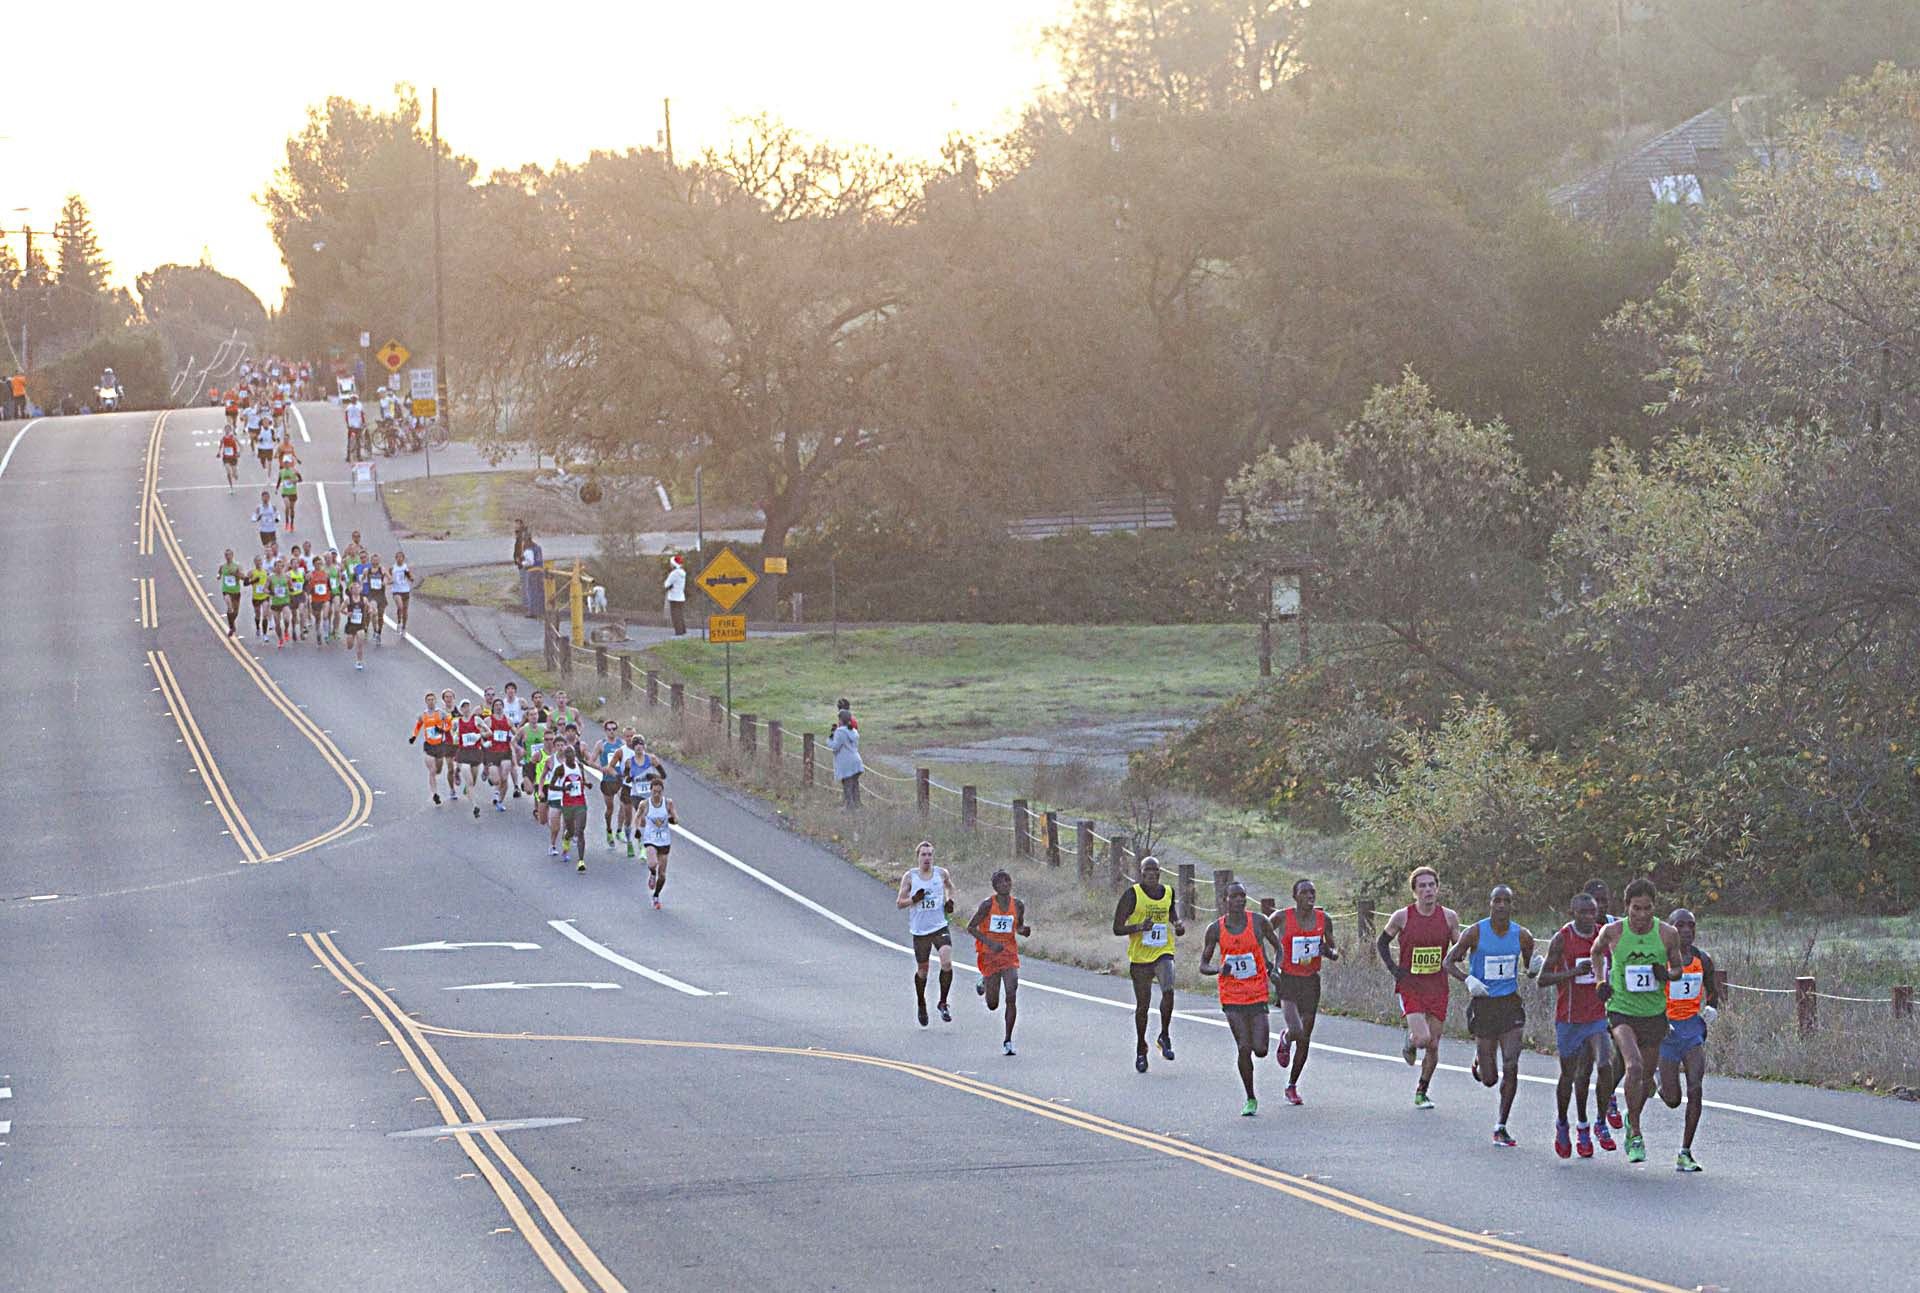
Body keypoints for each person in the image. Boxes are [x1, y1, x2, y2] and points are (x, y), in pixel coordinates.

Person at [1590, 877, 1685, 1164]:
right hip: (1622, 1010)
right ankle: (1636, 1134)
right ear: (1626, 907)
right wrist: (1600, 981)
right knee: (1634, 1066)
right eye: (1635, 909)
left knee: (1645, 1080)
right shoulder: (1613, 931)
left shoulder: (1667, 934)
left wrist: (1665, 975)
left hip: (1654, 1013)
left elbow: (1678, 968)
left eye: (1647, 908)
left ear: (1654, 908)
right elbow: (1595, 952)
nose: (1641, 915)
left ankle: (1631, 1120)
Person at [1445, 885, 1537, 1147]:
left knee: (1511, 1064)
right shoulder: (1475, 932)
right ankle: (1480, 1061)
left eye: (1506, 901)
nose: (1501, 905)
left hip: (1509, 1004)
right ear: (1489, 904)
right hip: (1483, 1004)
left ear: (1511, 905)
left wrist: (1536, 968)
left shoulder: (1523, 935)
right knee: (1490, 1079)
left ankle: (1501, 1125)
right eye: (1497, 900)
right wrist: (1468, 979)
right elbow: (1449, 962)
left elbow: (1531, 967)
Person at [1538, 892, 1617, 1159]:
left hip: (1596, 1017)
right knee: (1571, 1076)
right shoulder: (1562, 938)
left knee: (1605, 1064)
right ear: (1573, 912)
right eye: (1582, 912)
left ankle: (1599, 1122)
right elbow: (1543, 978)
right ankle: (1564, 1123)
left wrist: (1609, 985)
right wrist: (1573, 973)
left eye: (1592, 912)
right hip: (1569, 1019)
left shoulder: (1604, 936)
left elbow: (1613, 968)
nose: (1588, 917)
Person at [1378, 866, 1459, 1109]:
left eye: (1431, 885)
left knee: (1433, 1044)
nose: (1427, 890)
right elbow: (1382, 943)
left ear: (1438, 888)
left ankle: (1422, 1091)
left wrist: (1462, 960)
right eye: (1422, 886)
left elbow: (1459, 946)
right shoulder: (1402, 916)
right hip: (1410, 985)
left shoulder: (1449, 917)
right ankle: (1411, 1041)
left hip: (1437, 985)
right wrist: (1395, 970)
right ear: (1414, 892)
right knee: (1423, 1039)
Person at [1199, 881, 1282, 1116]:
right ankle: (1250, 1097)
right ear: (1225, 900)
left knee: (1261, 1049)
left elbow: (1279, 948)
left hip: (1257, 992)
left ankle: (1254, 1083)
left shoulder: (1258, 922)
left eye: (1242, 896)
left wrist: (1275, 969)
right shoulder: (1215, 929)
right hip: (1232, 995)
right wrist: (1219, 969)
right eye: (1234, 896)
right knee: (1244, 1047)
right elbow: (1203, 965)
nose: (1239, 900)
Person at [1656, 908, 1719, 1173]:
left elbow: (1714, 991)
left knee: (1696, 1085)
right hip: (1665, 1032)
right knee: (1673, 1099)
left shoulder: (1702, 960)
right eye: (1679, 926)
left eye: (1691, 926)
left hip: (1691, 1029)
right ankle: (1658, 1078)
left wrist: (1711, 1010)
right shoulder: (1660, 960)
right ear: (1669, 929)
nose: (1686, 931)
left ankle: (1685, 1152)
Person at [1113, 855, 1185, 1073]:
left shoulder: (1168, 892)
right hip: (1140, 958)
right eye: (1147, 872)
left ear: (1159, 873)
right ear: (1141, 874)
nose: (1152, 875)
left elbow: (1170, 912)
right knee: (1143, 1006)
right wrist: (1138, 927)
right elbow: (1117, 928)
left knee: (1169, 990)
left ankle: (1164, 1035)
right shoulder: (1132, 895)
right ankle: (1141, 1049)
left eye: (1155, 871)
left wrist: (1177, 924)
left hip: (1163, 951)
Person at [1272, 877, 1338, 1105]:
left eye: (1313, 892)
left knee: (1305, 1037)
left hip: (1311, 981)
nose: (1310, 896)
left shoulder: (1323, 919)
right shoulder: (1282, 917)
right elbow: (1261, 935)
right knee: (1297, 1029)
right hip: (1288, 979)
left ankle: (1292, 1086)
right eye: (1305, 892)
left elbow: (1335, 950)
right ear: (1295, 896)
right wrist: (1270, 963)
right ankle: (1285, 1037)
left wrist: (1326, 951)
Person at [967, 870, 1029, 1056]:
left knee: (1011, 993)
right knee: (992, 1004)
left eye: (1007, 881)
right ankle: (985, 982)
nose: (1005, 884)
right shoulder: (987, 905)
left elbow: (1017, 925)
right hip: (989, 955)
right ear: (995, 886)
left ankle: (1008, 1040)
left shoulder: (1018, 905)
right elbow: (971, 927)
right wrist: (990, 943)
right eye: (1001, 882)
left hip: (1008, 954)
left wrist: (1023, 930)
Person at [895, 840, 956, 1026]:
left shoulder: (941, 873)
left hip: (939, 926)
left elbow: (950, 887)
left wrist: (950, 901)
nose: (927, 858)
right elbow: (899, 903)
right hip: (920, 930)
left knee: (946, 961)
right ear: (918, 857)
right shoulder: (911, 877)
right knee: (923, 971)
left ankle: (943, 1003)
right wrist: (914, 899)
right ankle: (921, 1003)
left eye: (930, 854)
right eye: (924, 854)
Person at [1584, 879, 1624, 1133]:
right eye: (1595, 901)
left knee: (1618, 1056)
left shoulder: (1617, 926)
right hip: (1588, 1003)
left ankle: (1608, 1097)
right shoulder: (1580, 927)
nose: (1599, 906)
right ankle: (1591, 1118)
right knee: (1590, 1063)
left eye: (1604, 902)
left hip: (1617, 999)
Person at [546, 745, 591, 871]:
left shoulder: (579, 766)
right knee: (571, 831)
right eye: (568, 754)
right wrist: (565, 788)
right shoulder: (561, 769)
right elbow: (551, 786)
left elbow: (582, 781)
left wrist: (587, 784)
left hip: (580, 802)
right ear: (565, 756)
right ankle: (566, 838)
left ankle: (581, 861)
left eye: (572, 753)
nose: (571, 756)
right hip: (567, 804)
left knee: (580, 831)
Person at [638, 771, 676, 909]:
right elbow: (637, 817)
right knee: (653, 863)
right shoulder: (645, 804)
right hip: (650, 838)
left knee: (663, 875)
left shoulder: (668, 803)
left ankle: (656, 896)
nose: (657, 794)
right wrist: (637, 829)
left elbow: (676, 819)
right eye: (654, 791)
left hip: (664, 840)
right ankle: (652, 873)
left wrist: (671, 819)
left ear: (663, 792)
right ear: (650, 790)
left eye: (659, 792)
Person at [409, 693, 452, 804]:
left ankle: (436, 780)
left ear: (435, 701)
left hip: (440, 745)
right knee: (432, 771)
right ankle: (435, 794)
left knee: (438, 769)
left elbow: (449, 723)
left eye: (432, 699)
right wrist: (414, 736)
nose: (431, 701)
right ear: (426, 702)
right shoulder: (423, 715)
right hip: (429, 745)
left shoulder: (441, 713)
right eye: (429, 700)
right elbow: (418, 726)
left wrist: (443, 730)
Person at [828, 711, 864, 808]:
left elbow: (835, 747)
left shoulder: (840, 732)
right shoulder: (853, 731)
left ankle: (849, 807)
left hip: (846, 762)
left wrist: (831, 736)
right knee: (855, 784)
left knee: (847, 785)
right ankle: (858, 805)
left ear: (840, 720)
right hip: (856, 760)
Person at [215, 549, 245, 637]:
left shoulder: (237, 566)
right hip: (226, 590)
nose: (228, 557)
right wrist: (218, 576)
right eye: (226, 555)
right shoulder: (222, 566)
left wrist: (236, 574)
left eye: (229, 555)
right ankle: (232, 627)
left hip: (235, 591)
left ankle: (232, 625)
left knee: (235, 612)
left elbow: (243, 577)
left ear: (232, 556)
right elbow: (219, 573)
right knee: (229, 607)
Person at [341, 587, 371, 669]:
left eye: (358, 588)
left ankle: (359, 661)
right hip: (351, 625)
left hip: (360, 625)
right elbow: (341, 609)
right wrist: (347, 613)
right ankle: (351, 643)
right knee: (349, 646)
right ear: (351, 590)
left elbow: (369, 607)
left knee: (360, 643)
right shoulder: (348, 600)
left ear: (360, 589)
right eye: (354, 588)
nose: (356, 589)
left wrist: (370, 610)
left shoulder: (364, 599)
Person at [389, 551, 414, 639]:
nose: (399, 559)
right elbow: (389, 577)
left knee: (405, 610)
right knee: (400, 607)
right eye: (398, 557)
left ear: (403, 558)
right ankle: (399, 622)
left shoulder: (405, 567)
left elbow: (409, 575)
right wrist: (388, 582)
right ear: (395, 558)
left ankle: (404, 627)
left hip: (405, 590)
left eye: (401, 557)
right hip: (396, 590)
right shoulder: (392, 568)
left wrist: (411, 578)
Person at [246, 556, 272, 640]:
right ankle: (257, 627)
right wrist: (253, 581)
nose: (258, 562)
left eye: (260, 560)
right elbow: (245, 583)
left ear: (262, 562)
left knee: (265, 614)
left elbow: (270, 582)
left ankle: (265, 634)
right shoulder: (251, 572)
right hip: (256, 597)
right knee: (257, 614)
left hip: (265, 596)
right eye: (257, 561)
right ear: (254, 562)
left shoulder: (266, 572)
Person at [664, 553, 687, 635]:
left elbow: (666, 584)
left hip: (674, 597)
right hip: (681, 597)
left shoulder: (674, 573)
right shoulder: (683, 573)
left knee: (675, 616)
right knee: (680, 615)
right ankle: (683, 630)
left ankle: (678, 632)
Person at [252, 491, 280, 555]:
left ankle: (273, 558)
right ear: (261, 498)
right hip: (263, 530)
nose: (265, 499)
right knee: (266, 547)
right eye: (264, 497)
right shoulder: (259, 508)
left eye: (267, 497)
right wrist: (258, 518)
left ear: (269, 498)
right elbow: (253, 518)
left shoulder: (273, 507)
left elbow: (278, 514)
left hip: (272, 529)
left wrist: (277, 519)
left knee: (273, 546)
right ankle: (267, 557)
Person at [216, 425, 241, 491]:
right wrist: (218, 452)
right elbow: (220, 446)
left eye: (228, 429)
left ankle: (235, 473)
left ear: (230, 430)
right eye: (226, 429)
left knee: (235, 475)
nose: (227, 430)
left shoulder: (234, 437)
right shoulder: (223, 438)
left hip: (233, 457)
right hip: (226, 457)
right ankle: (231, 487)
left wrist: (239, 452)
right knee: (228, 472)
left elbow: (240, 445)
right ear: (224, 430)